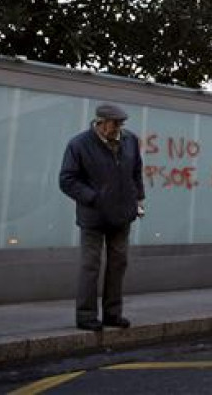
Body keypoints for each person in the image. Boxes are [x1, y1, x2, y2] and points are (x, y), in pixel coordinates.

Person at [59, 103, 145, 331]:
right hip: (93, 217)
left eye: (121, 124)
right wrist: (94, 198)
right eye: (115, 124)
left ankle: (112, 314)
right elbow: (67, 180)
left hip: (122, 215)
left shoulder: (130, 141)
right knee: (91, 265)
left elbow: (136, 172)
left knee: (118, 264)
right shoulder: (79, 144)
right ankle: (86, 316)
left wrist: (138, 199)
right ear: (101, 122)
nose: (119, 128)